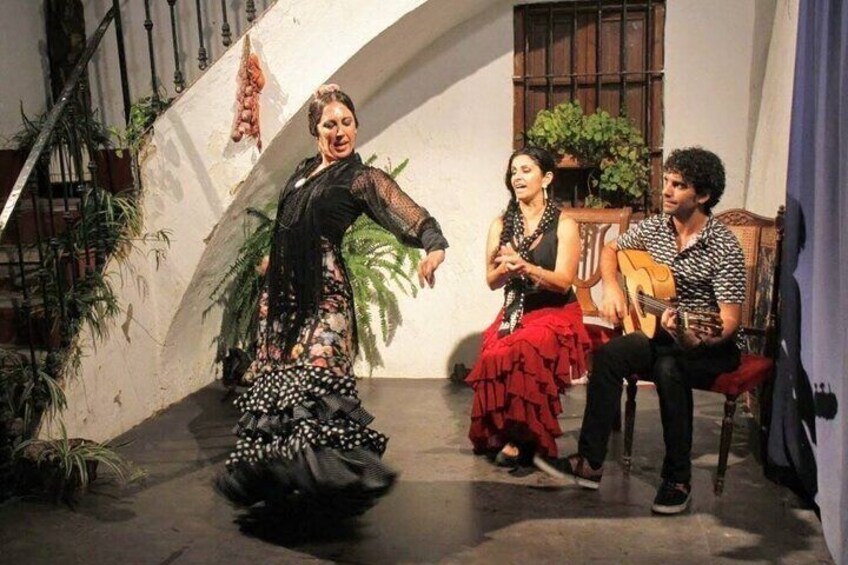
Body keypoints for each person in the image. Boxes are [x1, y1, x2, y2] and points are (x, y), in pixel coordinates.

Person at [216, 84, 448, 515]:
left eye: (346, 122)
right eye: (330, 124)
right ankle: (279, 475)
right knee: (279, 387)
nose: (339, 131)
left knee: (316, 381)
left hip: (325, 296)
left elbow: (408, 213)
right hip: (281, 300)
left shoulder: (361, 178)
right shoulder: (304, 171)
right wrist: (273, 259)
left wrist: (433, 248)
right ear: (315, 130)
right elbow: (288, 221)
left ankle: (337, 475)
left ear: (357, 127)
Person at [534, 147, 746, 515]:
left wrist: (697, 334)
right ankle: (590, 462)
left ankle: (678, 478)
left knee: (670, 368)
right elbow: (612, 248)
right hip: (663, 332)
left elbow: (727, 320)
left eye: (677, 185)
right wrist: (613, 288)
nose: (665, 190)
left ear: (703, 196)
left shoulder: (724, 245)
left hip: (710, 344)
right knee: (609, 355)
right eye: (666, 181)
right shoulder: (655, 228)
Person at [466, 146, 591, 468]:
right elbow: (491, 281)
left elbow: (564, 282)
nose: (517, 177)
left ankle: (526, 439)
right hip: (517, 308)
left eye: (526, 170)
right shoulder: (500, 224)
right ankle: (507, 431)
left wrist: (527, 267)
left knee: (527, 345)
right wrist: (507, 269)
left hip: (557, 310)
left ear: (546, 178)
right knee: (493, 352)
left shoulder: (565, 224)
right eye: (513, 172)